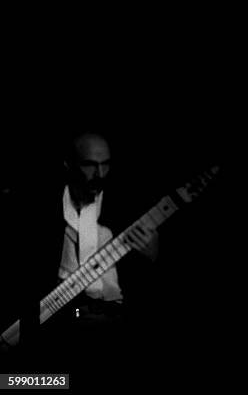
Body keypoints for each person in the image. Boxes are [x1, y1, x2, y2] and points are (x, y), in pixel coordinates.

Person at [0, 131, 160, 383]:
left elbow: (153, 277)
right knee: (18, 381)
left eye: (106, 164)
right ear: (68, 166)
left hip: (117, 320)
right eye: (89, 165)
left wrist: (152, 254)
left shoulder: (127, 208)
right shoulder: (36, 210)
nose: (100, 174)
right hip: (65, 321)